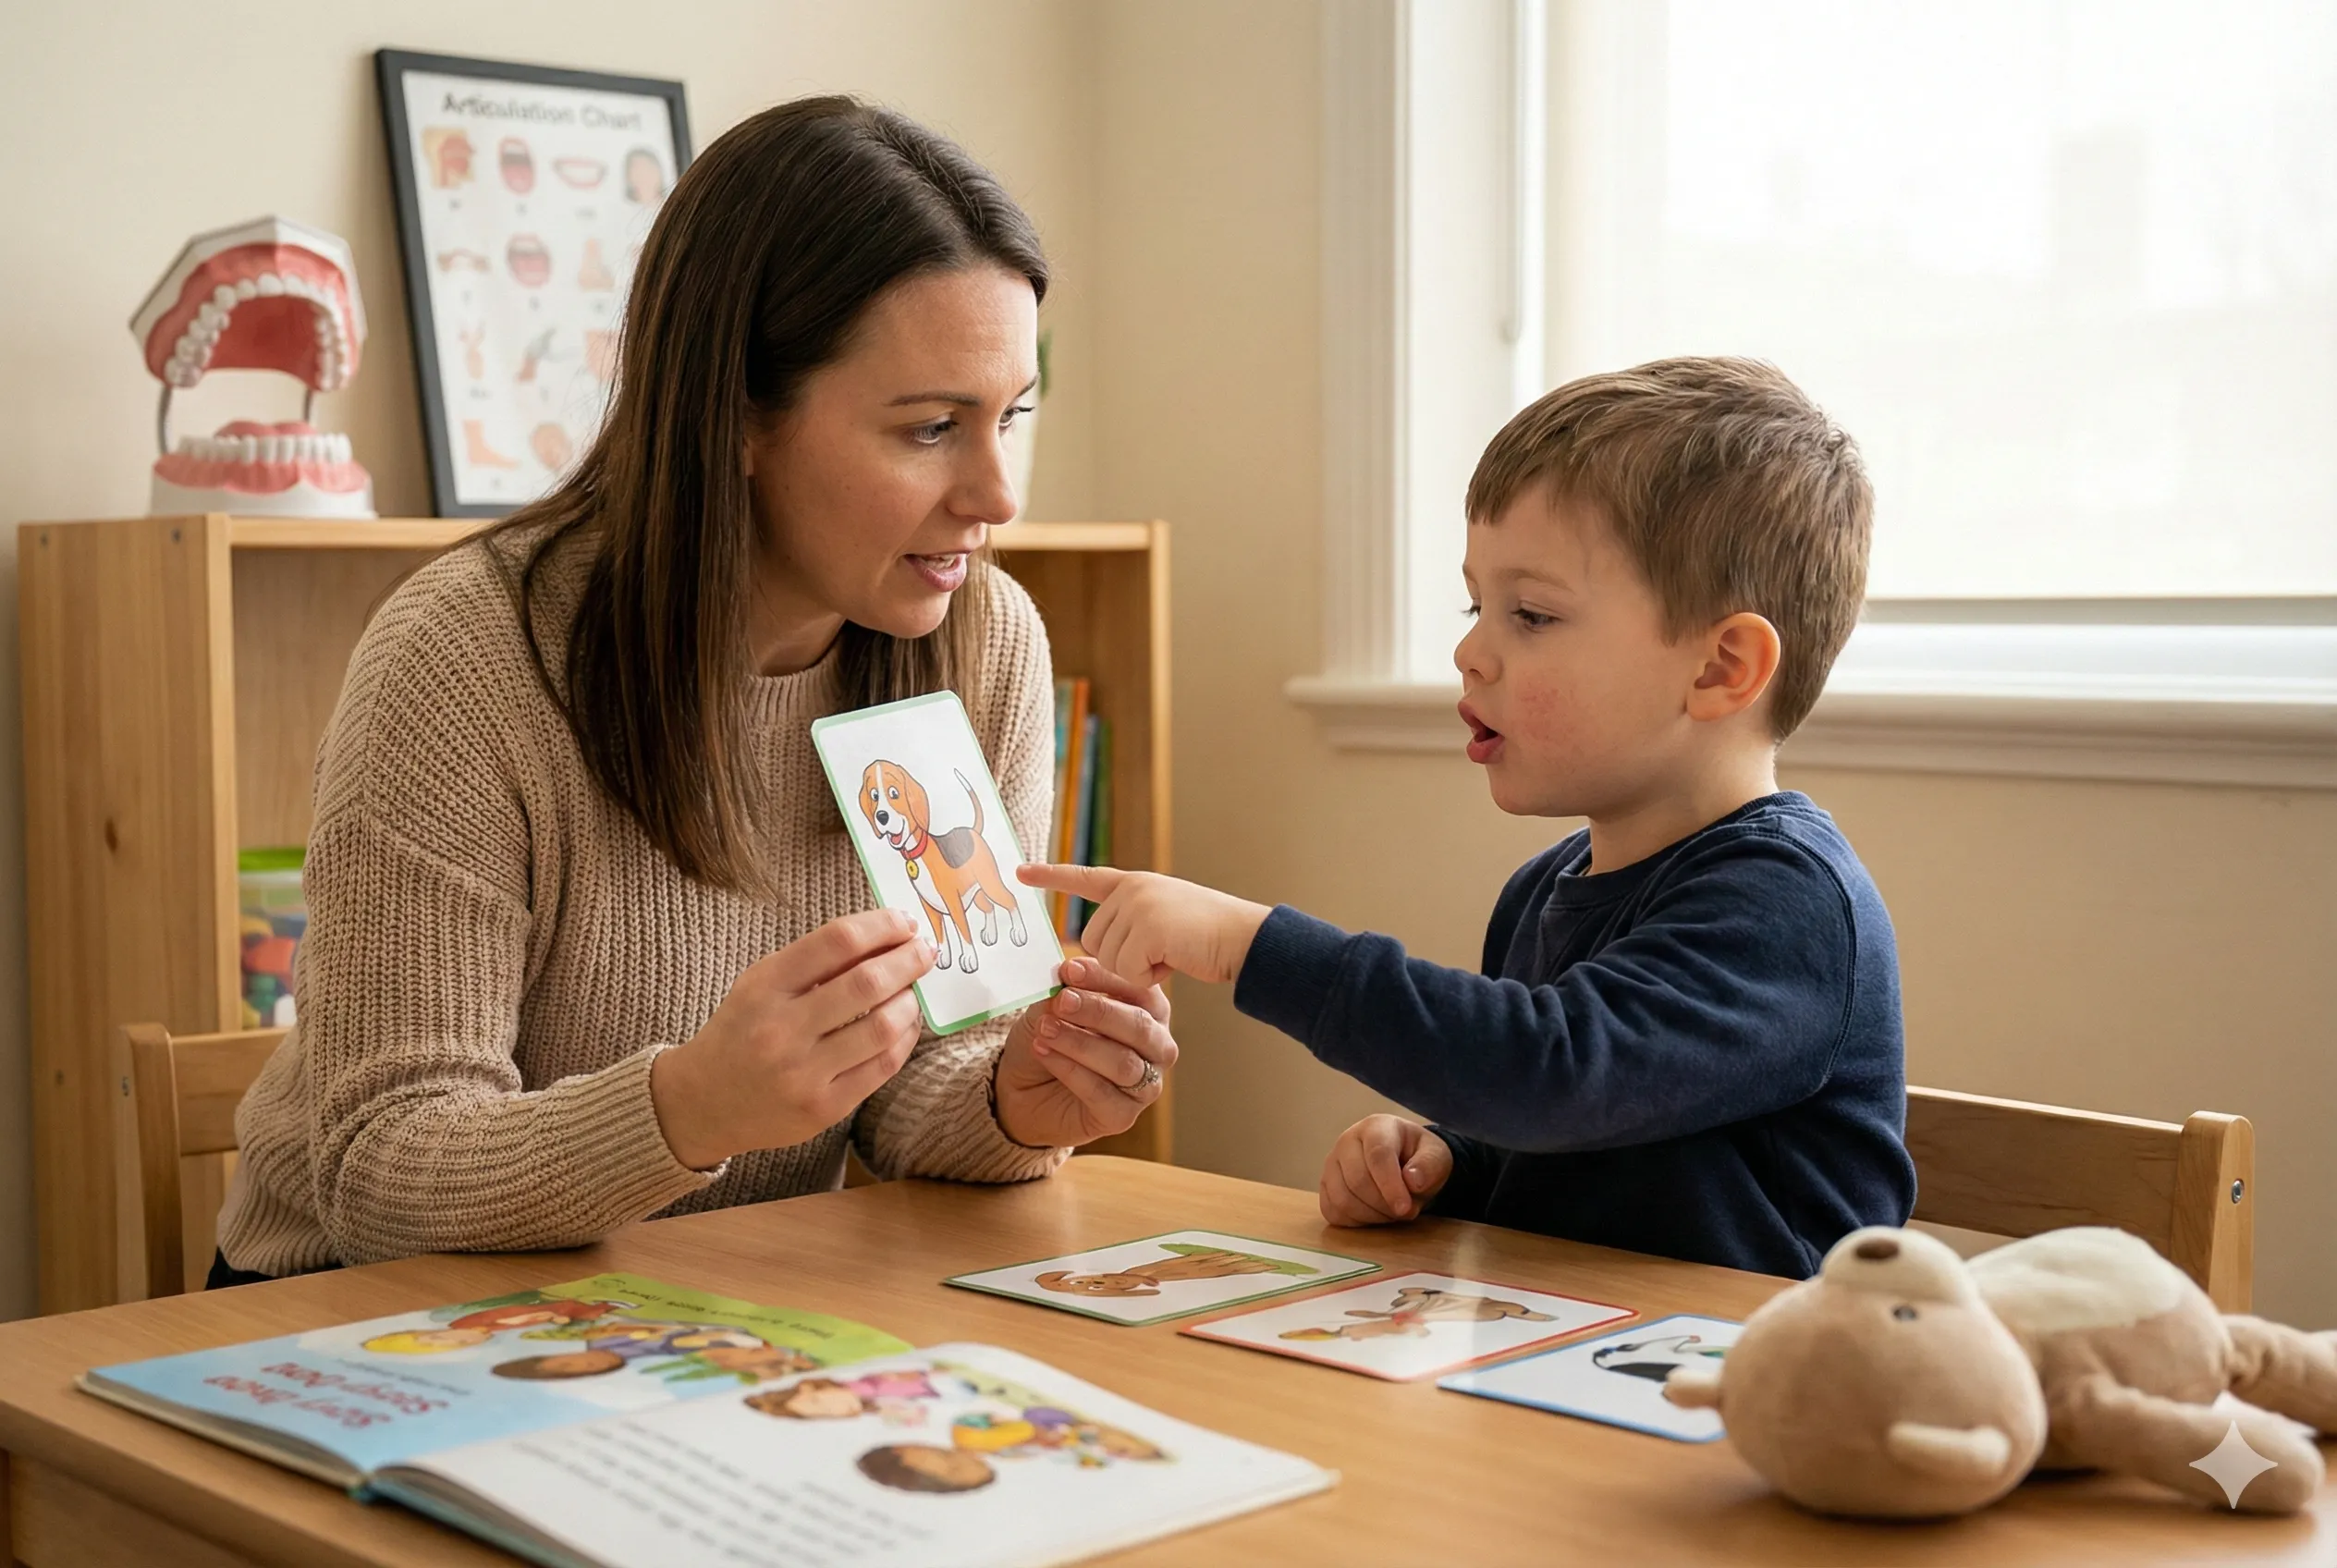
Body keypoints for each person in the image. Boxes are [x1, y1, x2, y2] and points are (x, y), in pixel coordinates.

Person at [210, 97, 1176, 1284]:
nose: (998, 494)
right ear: (738, 419)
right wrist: (688, 1107)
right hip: (348, 1313)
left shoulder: (986, 642)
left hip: (701, 1302)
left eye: (1011, 415)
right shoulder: (465, 657)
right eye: (931, 427)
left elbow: (920, 1087)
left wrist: (1016, 1098)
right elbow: (381, 1172)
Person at [1024, 359, 1914, 1279]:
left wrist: (1248, 943)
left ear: (1720, 668)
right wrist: (1451, 1159)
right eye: (1475, 604)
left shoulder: (1789, 903)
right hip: (1568, 1343)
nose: (1469, 651)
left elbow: (1551, 1075)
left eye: (1530, 614)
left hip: (1753, 1362)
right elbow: (1573, 1133)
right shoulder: (1542, 890)